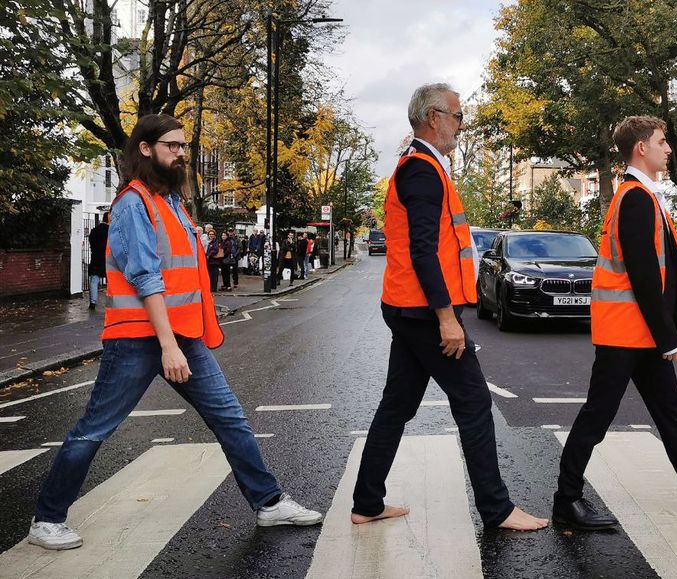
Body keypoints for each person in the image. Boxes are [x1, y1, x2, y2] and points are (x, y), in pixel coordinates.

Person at [26, 114, 322, 551]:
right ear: (145, 149)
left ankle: (269, 502)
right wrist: (168, 346)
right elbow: (146, 278)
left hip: (182, 335)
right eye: (172, 146)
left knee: (230, 419)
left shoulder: (171, 203)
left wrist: (181, 337)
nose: (181, 153)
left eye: (184, 146)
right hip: (139, 339)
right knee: (95, 429)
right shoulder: (133, 203)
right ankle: (46, 519)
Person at [351, 83, 548, 532]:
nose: (462, 125)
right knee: (474, 401)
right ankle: (497, 510)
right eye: (458, 116)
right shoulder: (421, 170)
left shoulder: (424, 166)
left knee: (397, 404)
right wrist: (446, 318)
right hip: (422, 311)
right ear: (432, 117)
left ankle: (367, 502)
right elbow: (424, 251)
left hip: (407, 306)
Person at [553, 116, 677, 530]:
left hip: (639, 333)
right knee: (597, 416)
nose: (668, 149)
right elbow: (644, 274)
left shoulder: (641, 195)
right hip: (626, 332)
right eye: (662, 142)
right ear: (641, 147)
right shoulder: (636, 198)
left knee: (670, 414)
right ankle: (566, 500)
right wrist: (668, 337)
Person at [87, 213, 109, 310]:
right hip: (108, 259)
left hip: (96, 258)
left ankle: (93, 302)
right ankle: (111, 302)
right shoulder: (112, 231)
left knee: (94, 280)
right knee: (111, 281)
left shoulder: (94, 231)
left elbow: (91, 243)